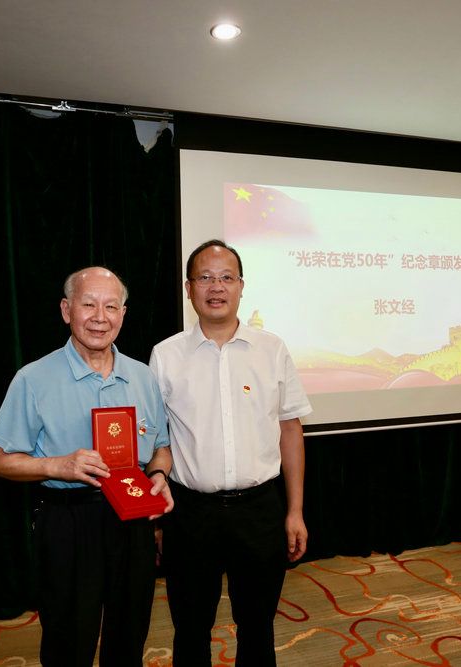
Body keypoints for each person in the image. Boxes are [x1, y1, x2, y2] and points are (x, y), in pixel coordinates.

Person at [0, 266, 173, 667]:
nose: (100, 317)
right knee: (68, 642)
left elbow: (161, 447)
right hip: (69, 521)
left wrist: (159, 475)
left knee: (130, 636)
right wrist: (57, 465)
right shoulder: (33, 378)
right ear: (66, 310)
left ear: (123, 313)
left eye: (111, 306)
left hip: (132, 522)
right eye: (88, 304)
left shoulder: (143, 376)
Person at [149, 240, 312, 666]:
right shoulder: (165, 356)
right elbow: (156, 441)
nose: (216, 287)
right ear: (189, 288)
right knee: (190, 629)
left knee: (258, 627)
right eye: (205, 277)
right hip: (189, 514)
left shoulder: (272, 349)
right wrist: (158, 520)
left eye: (226, 277)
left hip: (259, 511)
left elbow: (290, 430)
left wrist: (294, 511)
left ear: (241, 286)